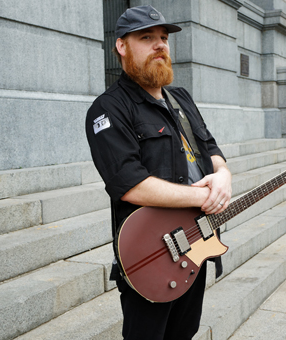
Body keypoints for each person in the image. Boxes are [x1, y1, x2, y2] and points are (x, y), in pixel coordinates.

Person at [85, 5, 232, 340]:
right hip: (150, 251)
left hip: (196, 239)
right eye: (147, 37)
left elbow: (210, 149)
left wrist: (223, 176)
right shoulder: (108, 108)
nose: (160, 45)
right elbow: (129, 183)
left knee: (185, 331)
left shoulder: (180, 98)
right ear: (122, 46)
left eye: (164, 38)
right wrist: (202, 195)